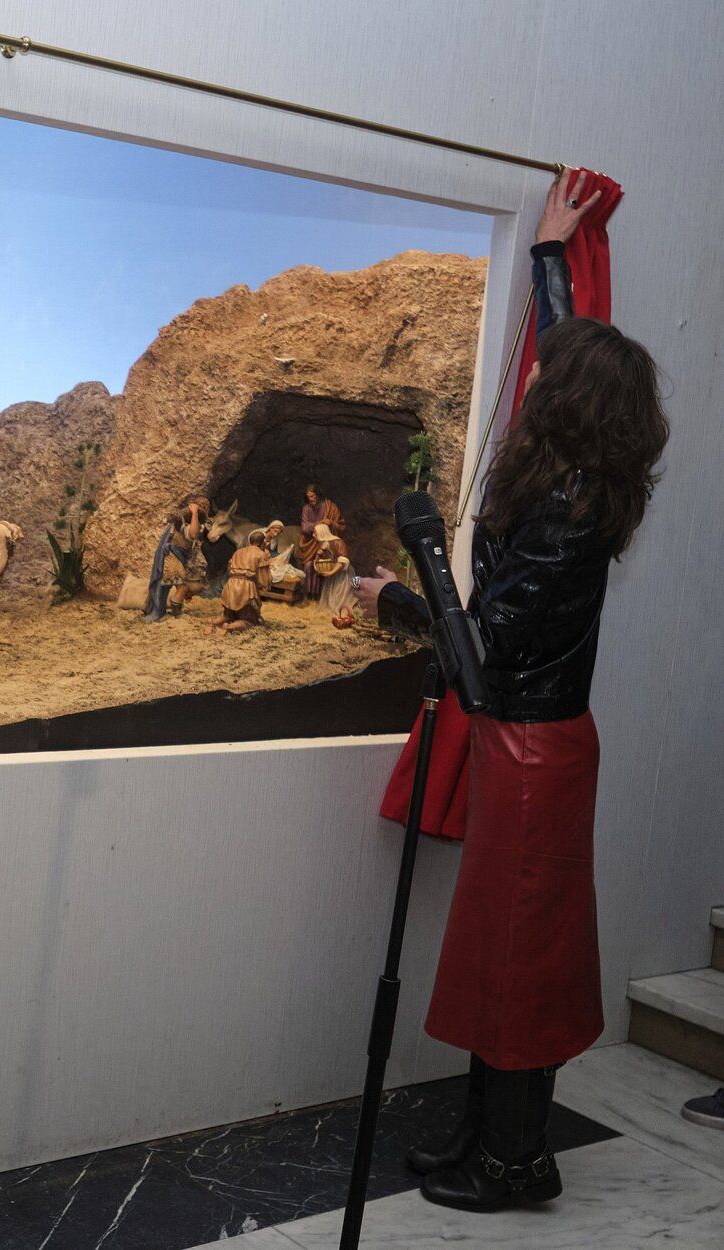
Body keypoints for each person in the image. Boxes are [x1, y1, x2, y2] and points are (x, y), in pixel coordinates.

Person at [355, 169, 666, 1213]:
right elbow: (569, 342)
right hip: (532, 748)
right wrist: (549, 252)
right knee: (501, 947)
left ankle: (516, 1158)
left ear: (568, 408)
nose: (537, 380)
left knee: (520, 957)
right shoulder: (582, 473)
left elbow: (478, 659)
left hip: (530, 750)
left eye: (552, 379)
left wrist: (401, 592)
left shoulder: (571, 512)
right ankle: (487, 1134)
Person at [144, 495, 207, 620]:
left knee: (169, 586)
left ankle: (161, 611)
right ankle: (174, 614)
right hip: (172, 557)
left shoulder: (197, 523)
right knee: (182, 588)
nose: (206, 508)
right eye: (203, 505)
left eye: (207, 506)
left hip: (179, 557)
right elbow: (193, 534)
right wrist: (194, 513)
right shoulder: (184, 523)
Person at [211, 530, 271, 634]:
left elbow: (230, 570)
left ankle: (213, 622)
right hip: (246, 590)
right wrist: (266, 584)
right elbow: (264, 578)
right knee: (250, 620)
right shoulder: (261, 554)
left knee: (228, 615)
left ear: (250, 541)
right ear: (262, 543)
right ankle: (229, 627)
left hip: (230, 586)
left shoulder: (238, 552)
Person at [297, 483, 345, 594]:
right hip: (311, 544)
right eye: (308, 497)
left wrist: (331, 523)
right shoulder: (307, 508)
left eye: (313, 496)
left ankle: (323, 595)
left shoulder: (331, 507)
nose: (311, 499)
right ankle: (309, 595)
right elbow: (304, 528)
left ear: (318, 494)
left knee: (327, 565)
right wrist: (320, 523)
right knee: (309, 566)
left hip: (327, 543)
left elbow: (341, 526)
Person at [313, 522, 356, 626]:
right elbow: (323, 561)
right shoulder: (324, 543)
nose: (313, 536)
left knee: (339, 594)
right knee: (330, 594)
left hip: (342, 573)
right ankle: (331, 614)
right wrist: (318, 555)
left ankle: (342, 615)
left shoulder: (338, 542)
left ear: (321, 532)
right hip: (332, 573)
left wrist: (331, 572)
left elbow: (342, 561)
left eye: (315, 533)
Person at [264, 520, 305, 591]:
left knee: (287, 568)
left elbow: (271, 552)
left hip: (267, 560)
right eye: (275, 531)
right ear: (270, 528)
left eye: (278, 533)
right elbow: (256, 551)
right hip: (261, 561)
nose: (276, 534)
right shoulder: (261, 536)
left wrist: (285, 552)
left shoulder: (273, 539)